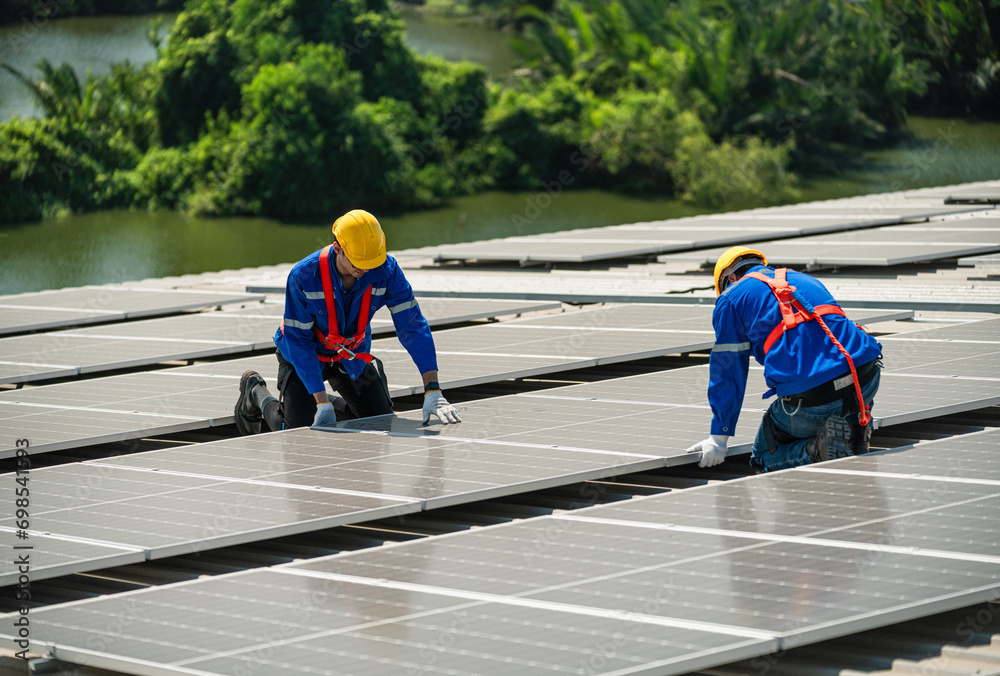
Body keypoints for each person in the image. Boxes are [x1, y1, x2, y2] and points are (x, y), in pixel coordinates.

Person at [234, 209, 461, 434]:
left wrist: (432, 389)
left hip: (350, 355)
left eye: (370, 262)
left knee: (378, 420)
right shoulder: (304, 276)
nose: (364, 269)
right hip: (305, 355)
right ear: (337, 248)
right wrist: (320, 401)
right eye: (358, 261)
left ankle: (326, 401)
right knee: (297, 431)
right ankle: (256, 393)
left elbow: (412, 325)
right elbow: (299, 341)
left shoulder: (387, 271)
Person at [686, 246, 882, 472]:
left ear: (730, 278)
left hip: (814, 402)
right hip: (866, 383)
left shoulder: (731, 298)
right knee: (847, 376)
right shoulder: (803, 278)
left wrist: (718, 439)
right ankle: (856, 432)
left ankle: (819, 450)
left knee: (763, 454)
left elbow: (728, 371)